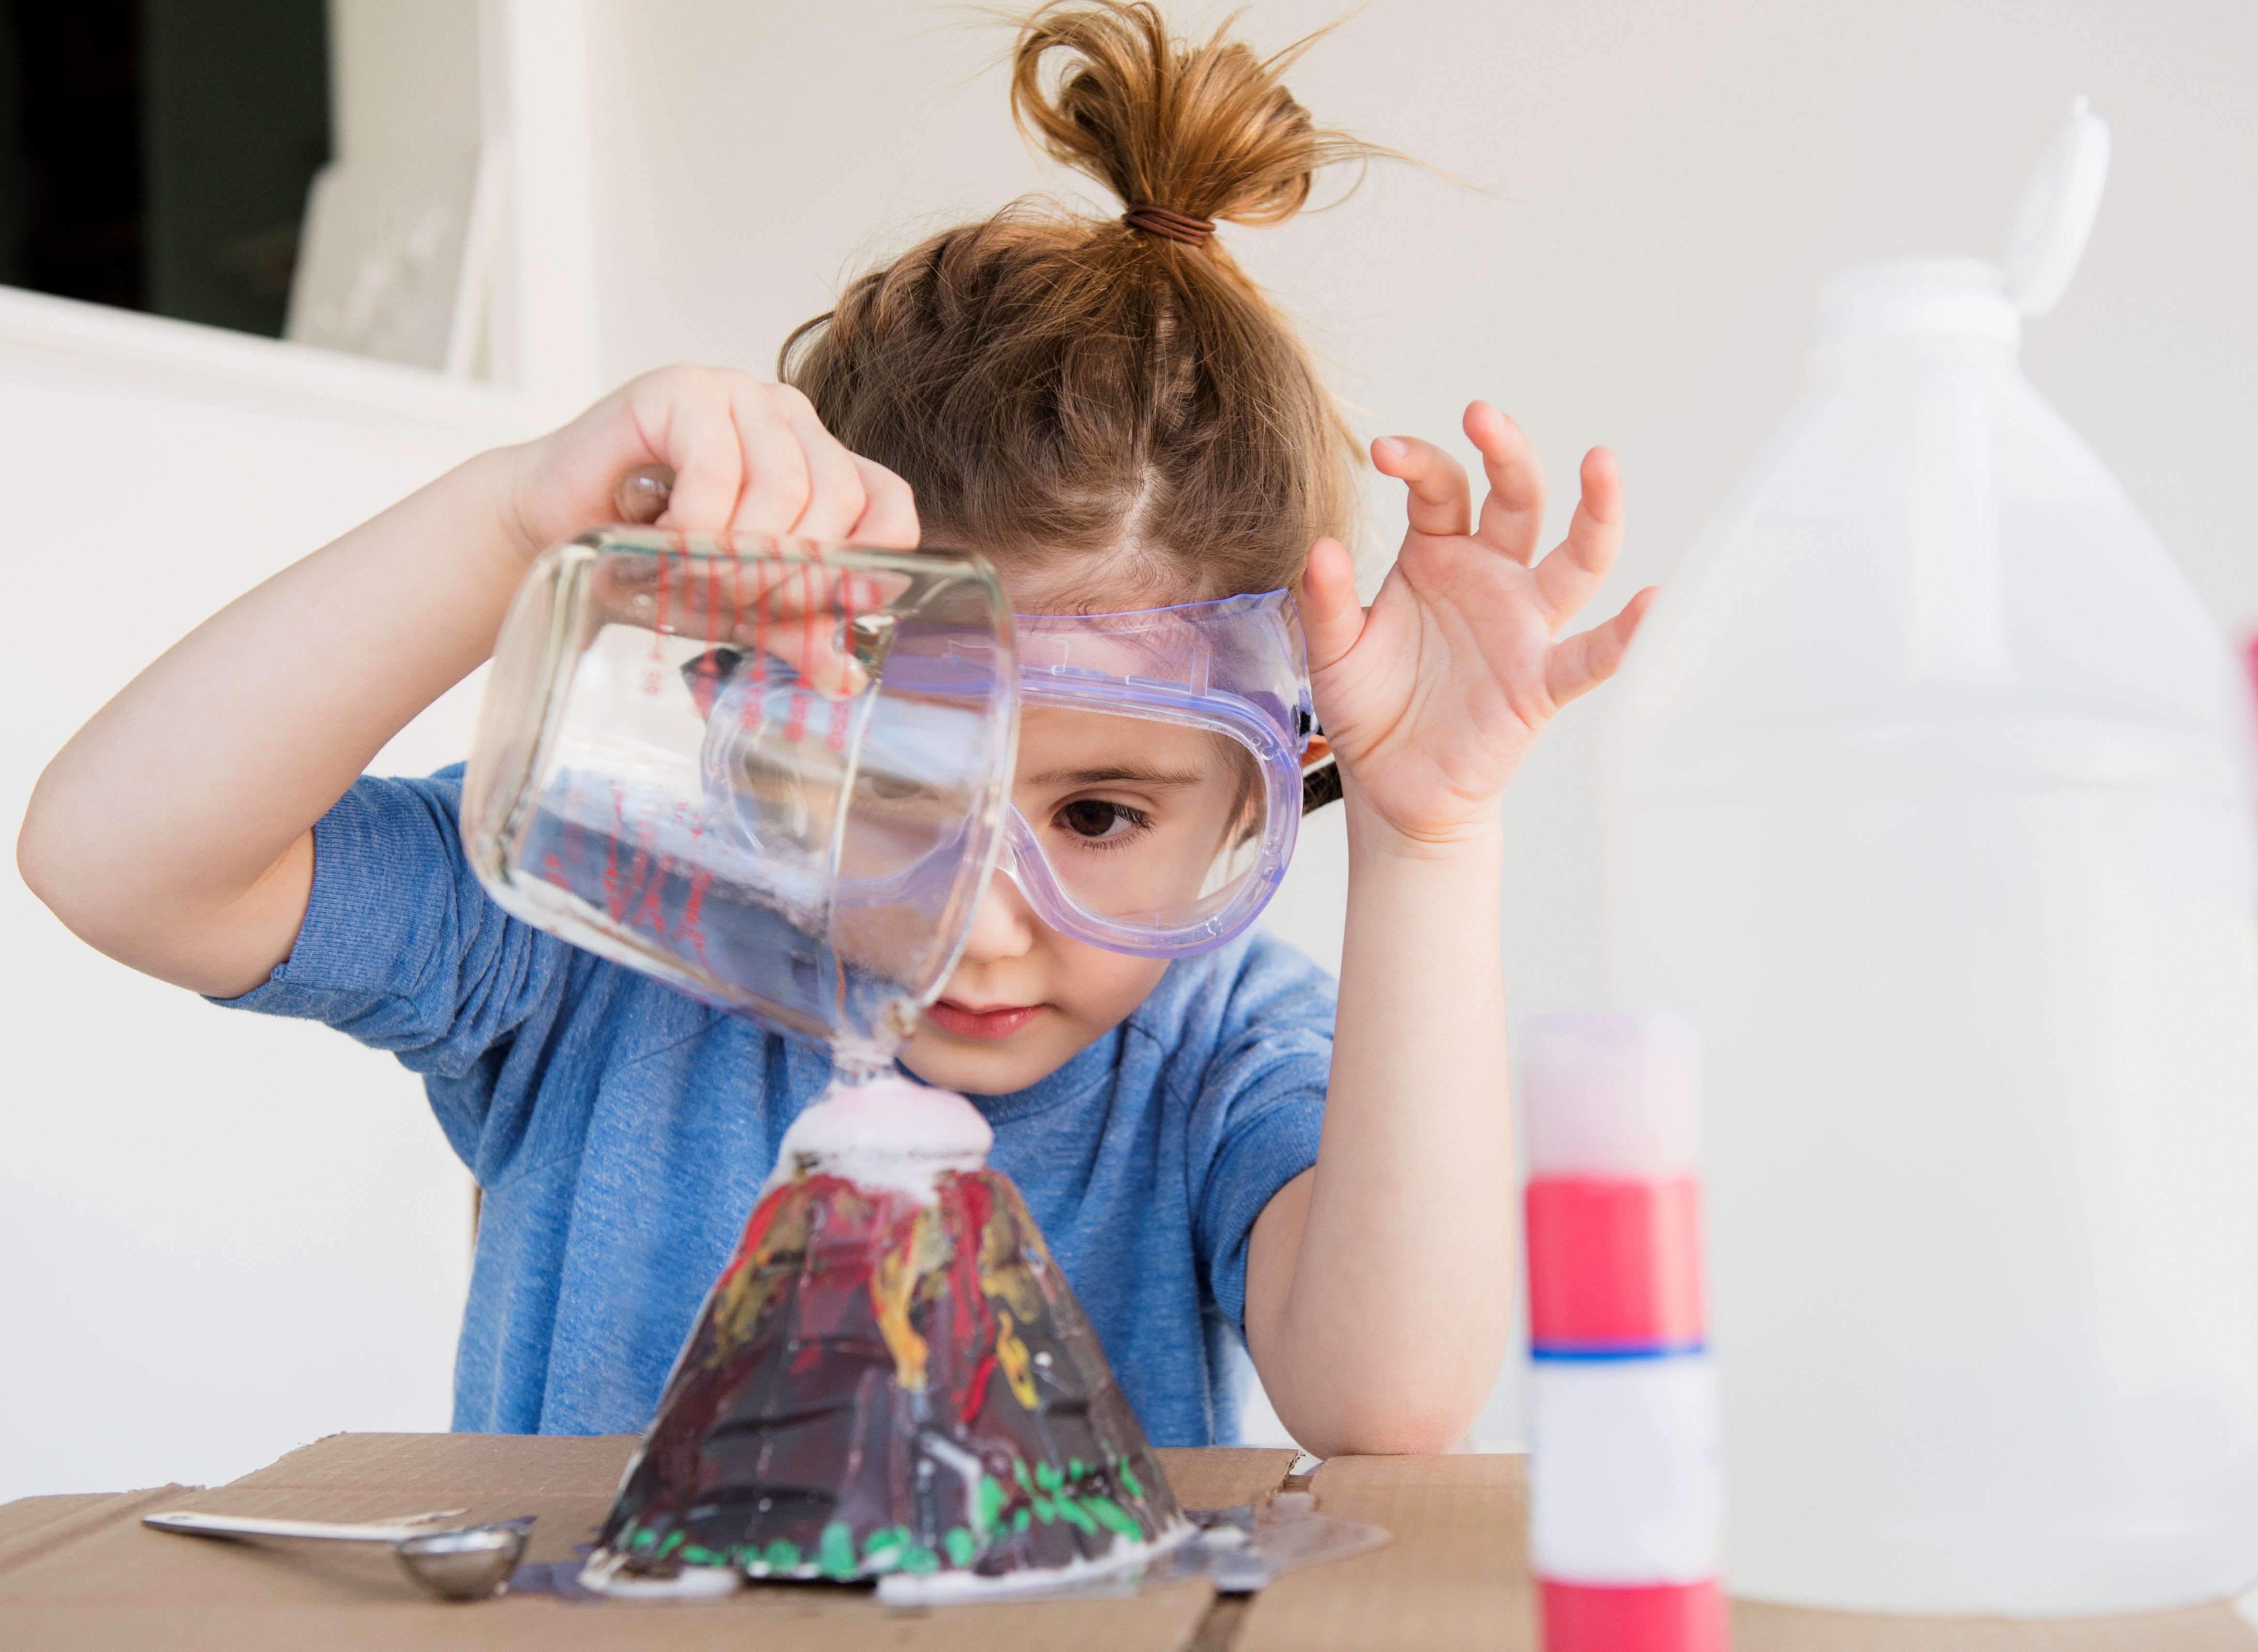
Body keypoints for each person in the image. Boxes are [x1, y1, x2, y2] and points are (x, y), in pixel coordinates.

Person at [16, 1, 1648, 1457]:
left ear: (1259, 793)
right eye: (899, 779)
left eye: (1098, 817)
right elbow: (119, 862)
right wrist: (514, 523)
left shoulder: (1218, 1053)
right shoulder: (617, 948)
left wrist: (1429, 839)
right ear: (763, 718)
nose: (982, 926)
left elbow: (1389, 1400)